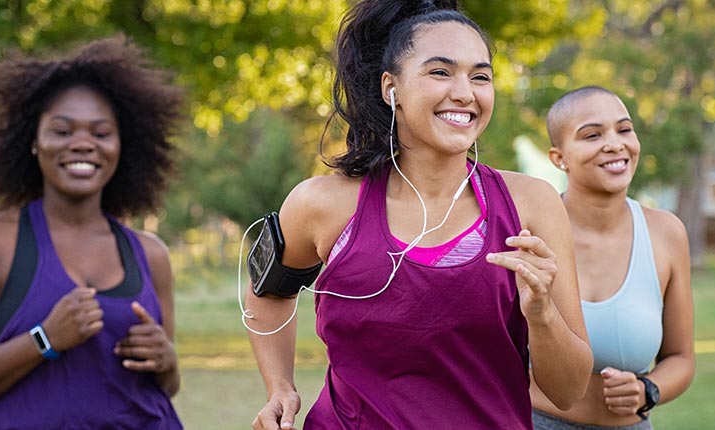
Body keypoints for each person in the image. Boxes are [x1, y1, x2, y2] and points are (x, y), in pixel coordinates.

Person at [244, 1, 593, 428]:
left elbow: (569, 391)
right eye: (441, 72)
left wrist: (542, 315)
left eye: (480, 76)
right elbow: (268, 293)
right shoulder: (322, 204)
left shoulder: (533, 204)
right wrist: (279, 387)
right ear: (391, 88)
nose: (465, 92)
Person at [0, 35, 185, 429]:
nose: (83, 144)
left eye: (101, 133)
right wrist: (43, 340)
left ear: (121, 145)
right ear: (33, 142)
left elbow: (165, 386)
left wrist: (167, 363)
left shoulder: (149, 254)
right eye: (62, 131)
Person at [533, 86, 695, 429]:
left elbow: (680, 358)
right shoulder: (528, 232)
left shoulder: (667, 233)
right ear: (558, 157)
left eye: (624, 130)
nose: (614, 144)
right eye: (592, 135)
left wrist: (647, 389)